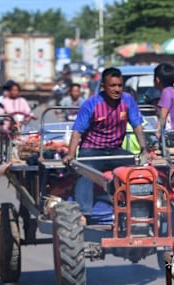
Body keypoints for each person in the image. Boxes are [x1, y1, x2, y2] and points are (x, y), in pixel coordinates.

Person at [62, 67, 148, 221]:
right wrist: (70, 154)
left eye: (119, 86)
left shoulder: (128, 100)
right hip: (91, 151)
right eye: (112, 86)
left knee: (136, 170)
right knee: (84, 171)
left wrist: (144, 149)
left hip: (116, 150)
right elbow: (77, 132)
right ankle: (84, 214)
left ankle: (137, 209)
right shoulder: (91, 104)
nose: (117, 90)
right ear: (103, 86)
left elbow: (137, 126)